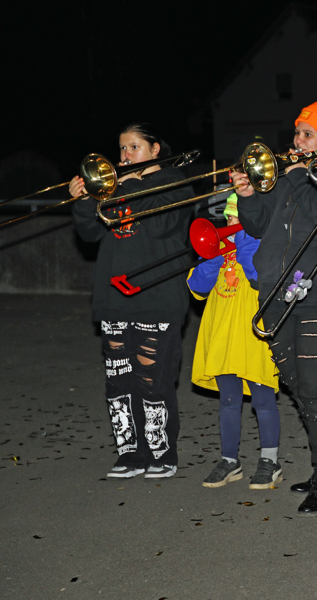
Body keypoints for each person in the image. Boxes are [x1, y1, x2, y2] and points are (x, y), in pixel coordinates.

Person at [235, 100, 317, 516]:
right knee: (297, 381)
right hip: (278, 291)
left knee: (316, 382)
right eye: (296, 133)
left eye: (307, 134)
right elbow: (259, 225)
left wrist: (295, 178)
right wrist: (248, 195)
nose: (296, 142)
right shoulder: (287, 179)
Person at [70, 123, 193, 479]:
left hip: (158, 297)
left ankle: (162, 453)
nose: (124, 156)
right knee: (118, 381)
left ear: (155, 150)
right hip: (114, 298)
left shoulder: (175, 182)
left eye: (134, 148)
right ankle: (130, 453)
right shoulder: (115, 188)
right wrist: (83, 202)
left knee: (153, 379)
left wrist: (130, 184)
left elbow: (161, 225)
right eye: (122, 149)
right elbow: (90, 233)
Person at [187, 195, 282, 489]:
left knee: (263, 402)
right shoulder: (217, 251)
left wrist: (246, 247)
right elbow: (197, 288)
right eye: (230, 219)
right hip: (224, 340)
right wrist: (211, 260)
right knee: (228, 402)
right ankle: (230, 460)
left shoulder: (263, 250)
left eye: (240, 220)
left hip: (254, 340)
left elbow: (259, 277)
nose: (233, 226)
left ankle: (270, 459)